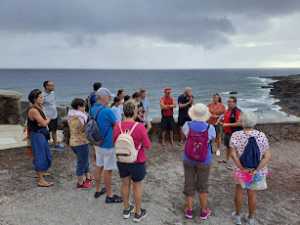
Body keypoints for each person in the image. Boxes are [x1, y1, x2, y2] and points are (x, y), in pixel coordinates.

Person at [230, 112, 271, 225]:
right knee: (251, 194)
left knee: (239, 191)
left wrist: (241, 168)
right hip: (257, 170)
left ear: (242, 121)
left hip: (241, 169)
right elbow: (267, 156)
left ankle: (237, 216)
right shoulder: (261, 135)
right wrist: (256, 170)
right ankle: (251, 218)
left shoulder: (236, 135)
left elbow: (233, 155)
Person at [113, 100, 152, 222]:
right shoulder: (139, 127)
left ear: (124, 111)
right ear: (135, 111)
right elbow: (148, 145)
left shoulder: (117, 126)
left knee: (125, 184)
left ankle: (126, 209)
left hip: (122, 160)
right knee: (137, 186)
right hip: (137, 161)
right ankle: (138, 213)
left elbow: (114, 142)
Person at [182, 103, 216, 220]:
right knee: (203, 185)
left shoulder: (187, 125)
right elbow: (211, 139)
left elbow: (185, 136)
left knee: (189, 183)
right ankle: (203, 211)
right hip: (204, 159)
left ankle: (189, 211)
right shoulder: (210, 128)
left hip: (188, 158)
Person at [90, 87, 122, 203]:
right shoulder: (107, 111)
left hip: (97, 143)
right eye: (108, 97)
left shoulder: (93, 109)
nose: (109, 99)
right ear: (103, 97)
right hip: (108, 145)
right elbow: (117, 125)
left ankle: (98, 190)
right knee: (108, 170)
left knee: (99, 166)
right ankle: (110, 195)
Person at [27, 89, 53, 187]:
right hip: (37, 135)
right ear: (35, 99)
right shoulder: (33, 110)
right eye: (40, 97)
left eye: (42, 97)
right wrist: (48, 120)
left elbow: (41, 122)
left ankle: (42, 171)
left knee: (45, 154)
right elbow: (43, 123)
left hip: (41, 134)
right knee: (40, 155)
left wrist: (43, 122)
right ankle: (40, 180)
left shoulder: (39, 107)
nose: (43, 99)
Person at [67, 98, 92, 189]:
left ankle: (88, 176)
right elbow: (84, 130)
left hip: (74, 142)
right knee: (82, 162)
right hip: (81, 142)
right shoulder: (80, 117)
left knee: (84, 160)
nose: (85, 108)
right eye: (83, 106)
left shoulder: (71, 115)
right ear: (79, 106)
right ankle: (80, 182)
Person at [219, 96, 242, 163]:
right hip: (227, 132)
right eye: (228, 102)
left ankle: (238, 162)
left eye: (230, 102)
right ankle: (227, 160)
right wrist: (221, 122)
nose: (228, 103)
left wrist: (227, 124)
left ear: (235, 103)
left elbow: (240, 123)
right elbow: (226, 120)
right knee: (228, 147)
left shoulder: (237, 111)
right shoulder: (227, 110)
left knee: (235, 149)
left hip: (234, 133)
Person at [42, 80, 63, 149]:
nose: (53, 87)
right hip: (46, 116)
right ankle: (45, 145)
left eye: (53, 85)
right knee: (46, 131)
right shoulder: (42, 95)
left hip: (54, 115)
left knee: (54, 130)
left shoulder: (53, 93)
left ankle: (55, 144)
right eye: (51, 85)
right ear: (46, 86)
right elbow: (40, 105)